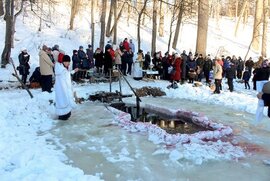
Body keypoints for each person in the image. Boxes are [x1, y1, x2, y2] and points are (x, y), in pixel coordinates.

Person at [55, 55, 78, 120]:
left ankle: (62, 115)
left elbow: (67, 74)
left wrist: (73, 71)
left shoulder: (60, 69)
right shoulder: (62, 71)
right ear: (64, 62)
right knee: (65, 112)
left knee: (63, 106)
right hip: (63, 91)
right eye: (68, 62)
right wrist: (69, 92)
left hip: (61, 92)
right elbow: (66, 78)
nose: (69, 63)